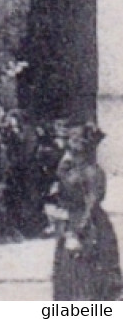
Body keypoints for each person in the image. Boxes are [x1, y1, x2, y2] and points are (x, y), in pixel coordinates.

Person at [50, 123, 123, 301]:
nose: (69, 143)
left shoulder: (92, 171)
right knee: (68, 270)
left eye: (74, 140)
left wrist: (79, 228)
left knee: (86, 268)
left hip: (89, 223)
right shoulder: (70, 167)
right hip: (72, 219)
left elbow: (92, 201)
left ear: (84, 145)